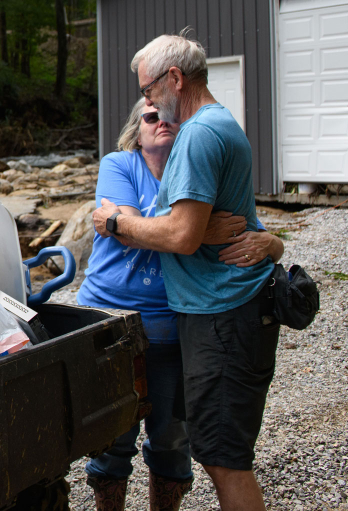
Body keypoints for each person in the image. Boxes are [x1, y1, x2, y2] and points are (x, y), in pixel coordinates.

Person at [92, 31, 283, 511]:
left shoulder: (197, 135)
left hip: (219, 316)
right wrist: (198, 230)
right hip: (199, 312)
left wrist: (118, 221)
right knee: (210, 453)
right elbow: (200, 227)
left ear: (174, 79)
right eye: (144, 106)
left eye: (149, 90)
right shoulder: (213, 127)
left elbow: (180, 236)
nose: (148, 103)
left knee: (221, 459)